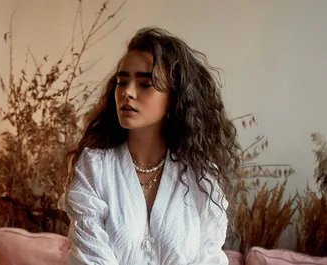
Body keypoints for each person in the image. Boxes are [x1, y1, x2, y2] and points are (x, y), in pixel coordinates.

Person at [63, 27, 241, 265]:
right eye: (121, 81)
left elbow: (209, 258)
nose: (127, 92)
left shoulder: (201, 175)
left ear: (175, 97)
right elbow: (89, 257)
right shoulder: (95, 166)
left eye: (145, 84)